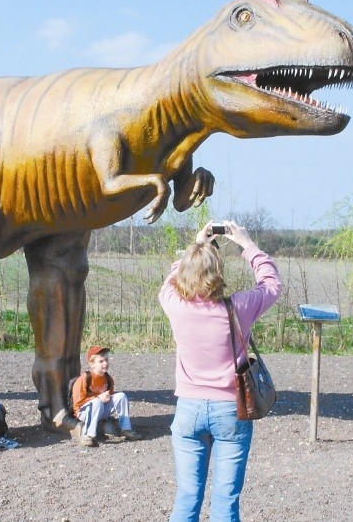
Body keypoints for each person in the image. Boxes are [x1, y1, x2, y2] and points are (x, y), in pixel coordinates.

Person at [159, 221, 281, 521]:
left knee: (187, 497)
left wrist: (196, 245)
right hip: (231, 409)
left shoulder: (175, 305)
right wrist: (247, 244)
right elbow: (272, 285)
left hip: (188, 409)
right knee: (226, 501)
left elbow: (170, 281)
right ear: (219, 273)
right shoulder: (239, 306)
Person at [72, 345, 142, 447]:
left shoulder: (108, 379)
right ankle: (87, 436)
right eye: (101, 361)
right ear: (92, 364)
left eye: (106, 360)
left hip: (100, 409)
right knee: (97, 402)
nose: (105, 363)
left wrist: (106, 399)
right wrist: (98, 398)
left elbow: (110, 396)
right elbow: (77, 404)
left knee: (121, 396)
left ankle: (126, 429)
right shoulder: (85, 378)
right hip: (84, 412)